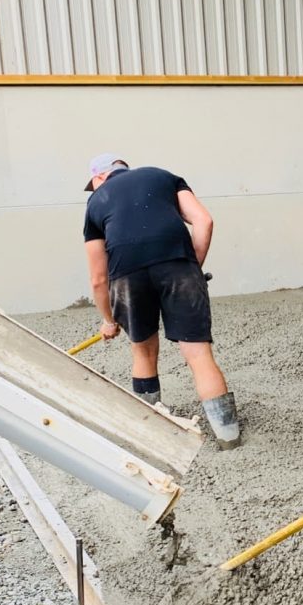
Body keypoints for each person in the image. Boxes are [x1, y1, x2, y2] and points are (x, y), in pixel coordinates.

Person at [82, 153, 240, 448]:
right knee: (198, 354)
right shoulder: (163, 176)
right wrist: (192, 267)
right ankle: (228, 437)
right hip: (178, 266)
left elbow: (98, 278)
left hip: (127, 276)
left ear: (100, 177)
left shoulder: (96, 201)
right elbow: (204, 221)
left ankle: (148, 433)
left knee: (142, 352)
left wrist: (109, 320)